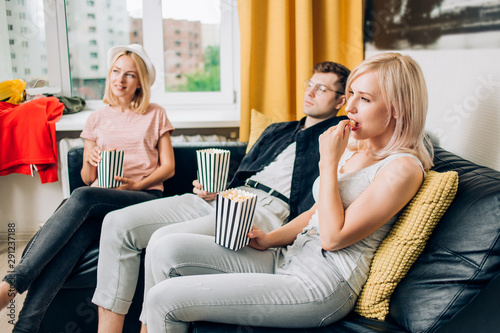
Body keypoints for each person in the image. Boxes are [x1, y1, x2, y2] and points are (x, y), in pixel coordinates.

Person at [140, 52, 434, 332]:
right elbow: (315, 212)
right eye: (352, 94)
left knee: (162, 299)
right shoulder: (358, 147)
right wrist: (269, 239)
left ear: (397, 108)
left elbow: (334, 238)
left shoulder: (403, 169)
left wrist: (328, 163)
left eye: (365, 98)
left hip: (322, 284)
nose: (350, 107)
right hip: (289, 256)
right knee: (166, 248)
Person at [92, 61, 351, 332]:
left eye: (321, 89)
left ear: (340, 100)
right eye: (310, 84)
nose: (310, 92)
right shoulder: (277, 130)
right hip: (226, 196)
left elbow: (323, 198)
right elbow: (241, 174)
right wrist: (214, 190)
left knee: (162, 242)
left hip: (263, 210)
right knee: (116, 223)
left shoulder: (338, 138)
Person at [0, 43, 175, 332]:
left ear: (140, 83)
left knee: (81, 197)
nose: (120, 80)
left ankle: (12, 283)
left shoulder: (155, 114)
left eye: (130, 75)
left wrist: (137, 183)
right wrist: (90, 159)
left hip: (142, 197)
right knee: (79, 230)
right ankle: (25, 327)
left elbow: (168, 167)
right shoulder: (96, 118)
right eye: (116, 72)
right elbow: (85, 177)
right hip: (101, 199)